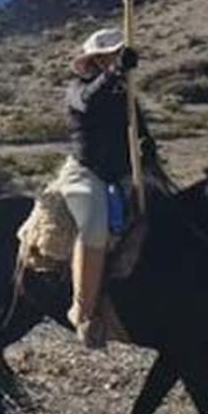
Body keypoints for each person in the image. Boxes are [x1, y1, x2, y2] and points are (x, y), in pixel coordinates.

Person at [56, 27, 157, 350]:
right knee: (95, 227)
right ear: (96, 60)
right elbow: (88, 103)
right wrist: (116, 73)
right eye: (110, 55)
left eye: (118, 53)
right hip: (86, 173)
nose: (115, 58)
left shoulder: (123, 92)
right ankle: (83, 312)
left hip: (122, 172)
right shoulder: (78, 89)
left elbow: (137, 123)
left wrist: (147, 143)